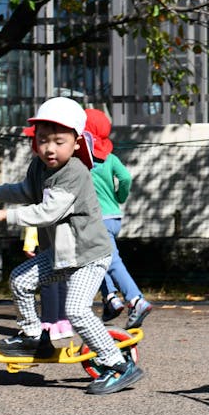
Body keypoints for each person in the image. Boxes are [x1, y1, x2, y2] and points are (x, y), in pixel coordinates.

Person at [0, 96, 144, 395]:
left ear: (76, 143)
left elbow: (47, 211)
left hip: (89, 255)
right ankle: (34, 336)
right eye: (42, 140)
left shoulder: (74, 173)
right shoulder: (40, 167)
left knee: (76, 309)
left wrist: (2, 214)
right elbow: (27, 191)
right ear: (34, 142)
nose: (49, 148)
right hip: (64, 253)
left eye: (58, 141)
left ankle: (118, 365)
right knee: (21, 280)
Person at [84, 108, 152, 329]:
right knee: (97, 259)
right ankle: (111, 299)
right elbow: (125, 178)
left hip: (95, 219)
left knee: (111, 261)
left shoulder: (83, 162)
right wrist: (119, 196)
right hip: (113, 217)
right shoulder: (110, 158)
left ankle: (135, 300)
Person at [22, 226, 74, 340]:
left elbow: (35, 216)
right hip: (62, 239)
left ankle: (49, 324)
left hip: (44, 239)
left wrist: (29, 243)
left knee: (47, 281)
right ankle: (63, 323)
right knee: (61, 279)